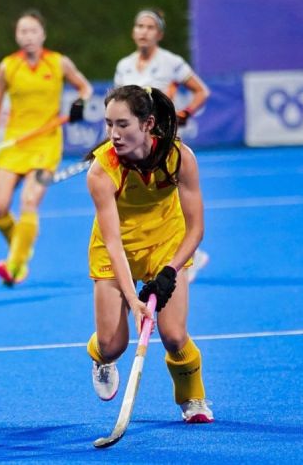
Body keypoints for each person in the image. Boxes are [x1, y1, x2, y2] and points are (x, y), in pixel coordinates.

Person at [85, 85, 213, 424]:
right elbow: (113, 243)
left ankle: (193, 398)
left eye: (123, 124)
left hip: (165, 244)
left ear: (148, 123)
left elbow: (196, 228)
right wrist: (135, 300)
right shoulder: (101, 171)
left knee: (173, 336)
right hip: (116, 250)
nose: (113, 134)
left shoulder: (180, 158)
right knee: (113, 345)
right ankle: (101, 358)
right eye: (109, 124)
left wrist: (170, 272)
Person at [0, 9, 92, 286]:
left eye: (32, 31)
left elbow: (85, 88)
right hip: (15, 143)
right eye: (22, 32)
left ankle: (16, 264)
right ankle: (24, 241)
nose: (27, 36)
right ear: (17, 36)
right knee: (0, 206)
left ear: (43, 34)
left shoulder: (58, 62)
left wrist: (79, 104)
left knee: (30, 201)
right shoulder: (7, 67)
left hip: (46, 143)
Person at [114, 8, 211, 281]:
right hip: (136, 145)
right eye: (139, 26)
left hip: (164, 140)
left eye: (149, 27)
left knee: (173, 195)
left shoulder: (172, 62)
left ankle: (187, 253)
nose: (143, 31)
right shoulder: (124, 66)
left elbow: (201, 91)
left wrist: (186, 113)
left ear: (159, 34)